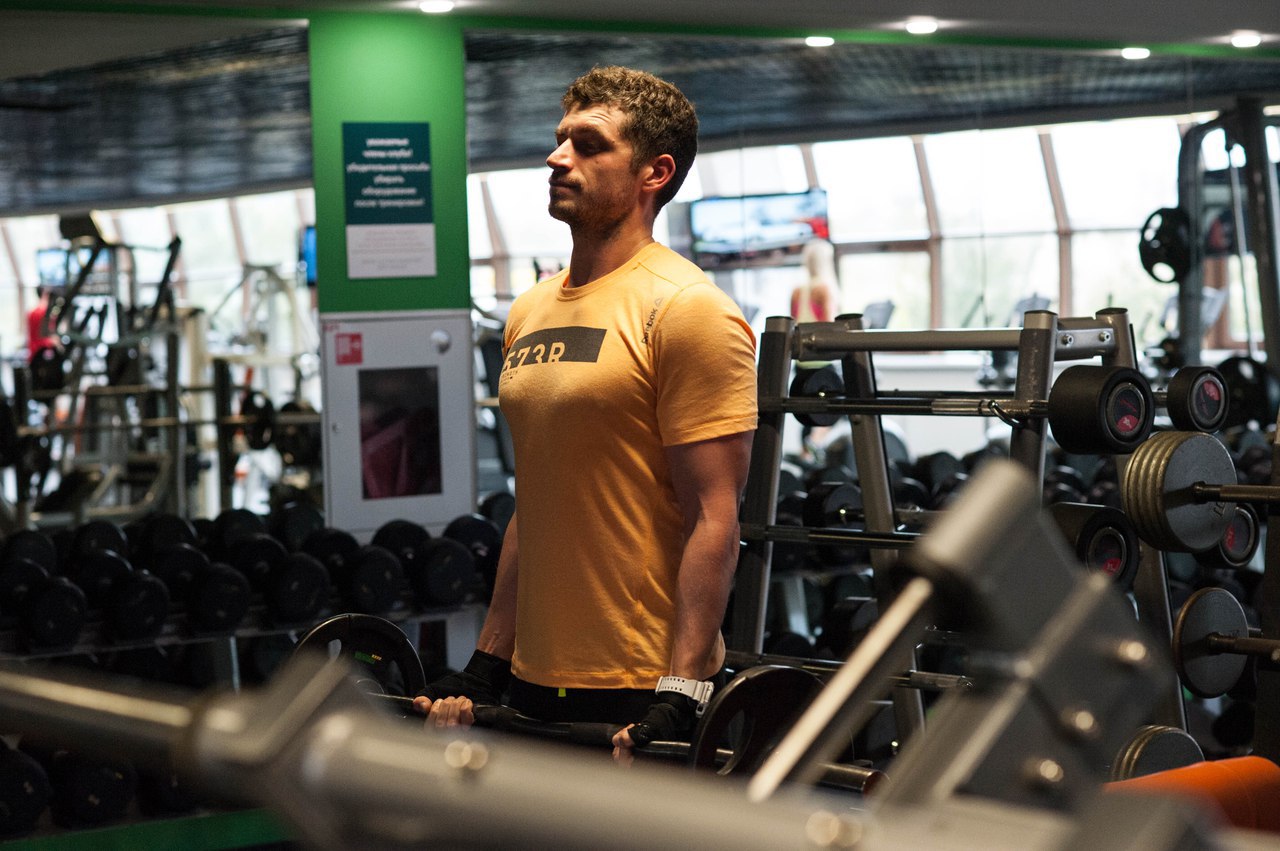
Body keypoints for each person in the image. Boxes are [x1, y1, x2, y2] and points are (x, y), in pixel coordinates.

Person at [412, 66, 758, 762]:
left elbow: (715, 517)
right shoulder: (530, 310)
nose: (557, 157)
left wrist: (683, 688)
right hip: (535, 676)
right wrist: (489, 659)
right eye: (560, 138)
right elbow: (536, 504)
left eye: (589, 144)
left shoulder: (687, 309)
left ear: (655, 172)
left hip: (638, 684)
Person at [26, 285, 59, 363]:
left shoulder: (31, 313)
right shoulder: (46, 314)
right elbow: (49, 335)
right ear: (45, 294)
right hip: (42, 353)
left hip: (33, 352)